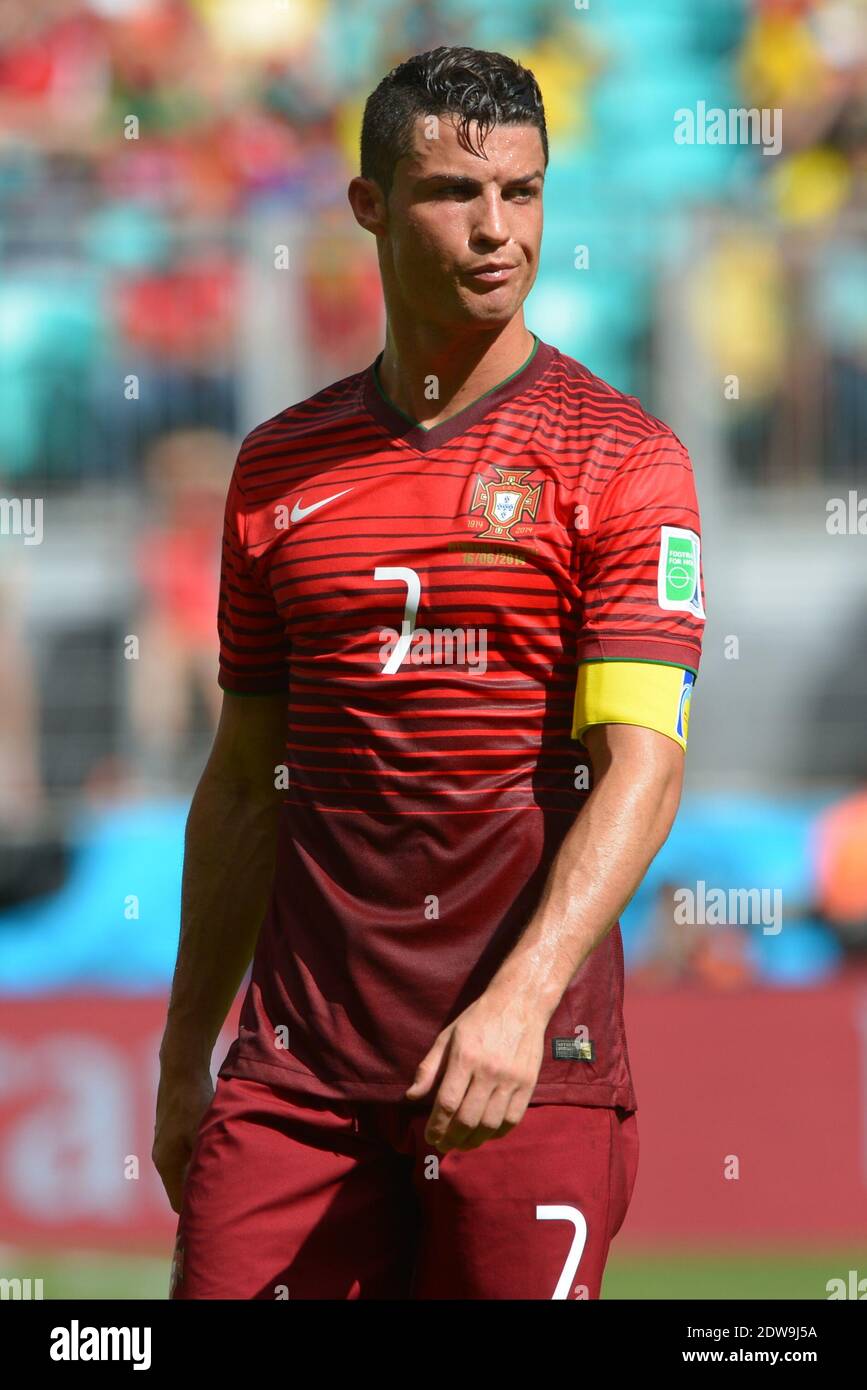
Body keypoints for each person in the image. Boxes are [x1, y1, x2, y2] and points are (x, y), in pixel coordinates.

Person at [153, 45, 706, 1300]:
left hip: (529, 1063)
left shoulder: (622, 459)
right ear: (368, 206)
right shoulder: (278, 468)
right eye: (458, 192)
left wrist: (518, 1007)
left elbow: (644, 767)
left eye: (523, 191)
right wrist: (190, 1053)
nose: (498, 229)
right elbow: (244, 783)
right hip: (297, 1078)